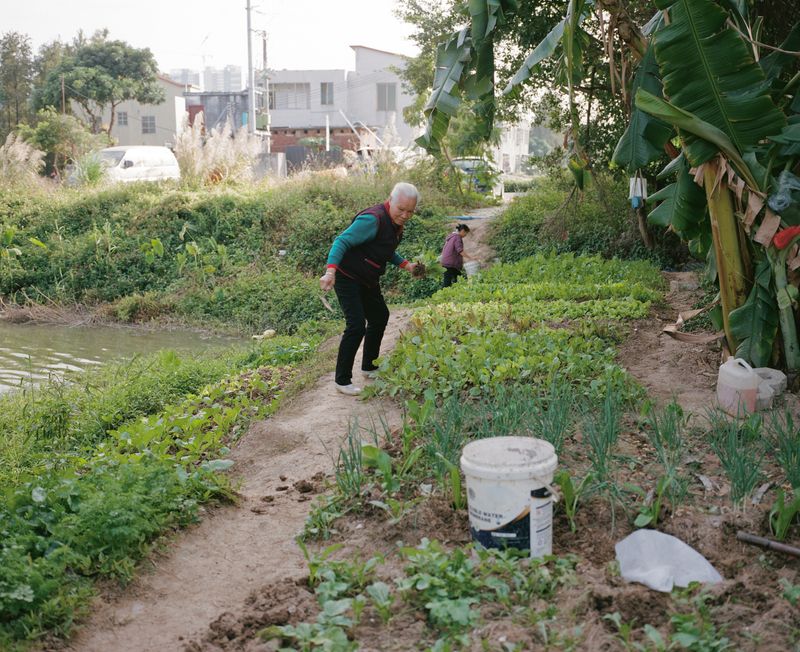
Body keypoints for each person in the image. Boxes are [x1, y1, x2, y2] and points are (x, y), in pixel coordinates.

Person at [319, 182, 420, 396]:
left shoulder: (393, 223)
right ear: (390, 200)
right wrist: (330, 272)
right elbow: (341, 241)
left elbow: (385, 250)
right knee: (356, 325)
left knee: (379, 316)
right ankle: (342, 380)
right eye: (401, 209)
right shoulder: (372, 219)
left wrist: (407, 265)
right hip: (348, 276)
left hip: (368, 278)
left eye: (410, 211)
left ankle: (369, 366)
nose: (405, 215)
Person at [440, 223, 472, 287]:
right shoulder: (457, 237)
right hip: (450, 264)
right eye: (466, 233)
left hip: (447, 262)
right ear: (462, 231)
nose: (465, 235)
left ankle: (452, 292)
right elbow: (460, 250)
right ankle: (443, 295)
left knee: (457, 279)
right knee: (448, 282)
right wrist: (470, 258)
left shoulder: (452, 236)